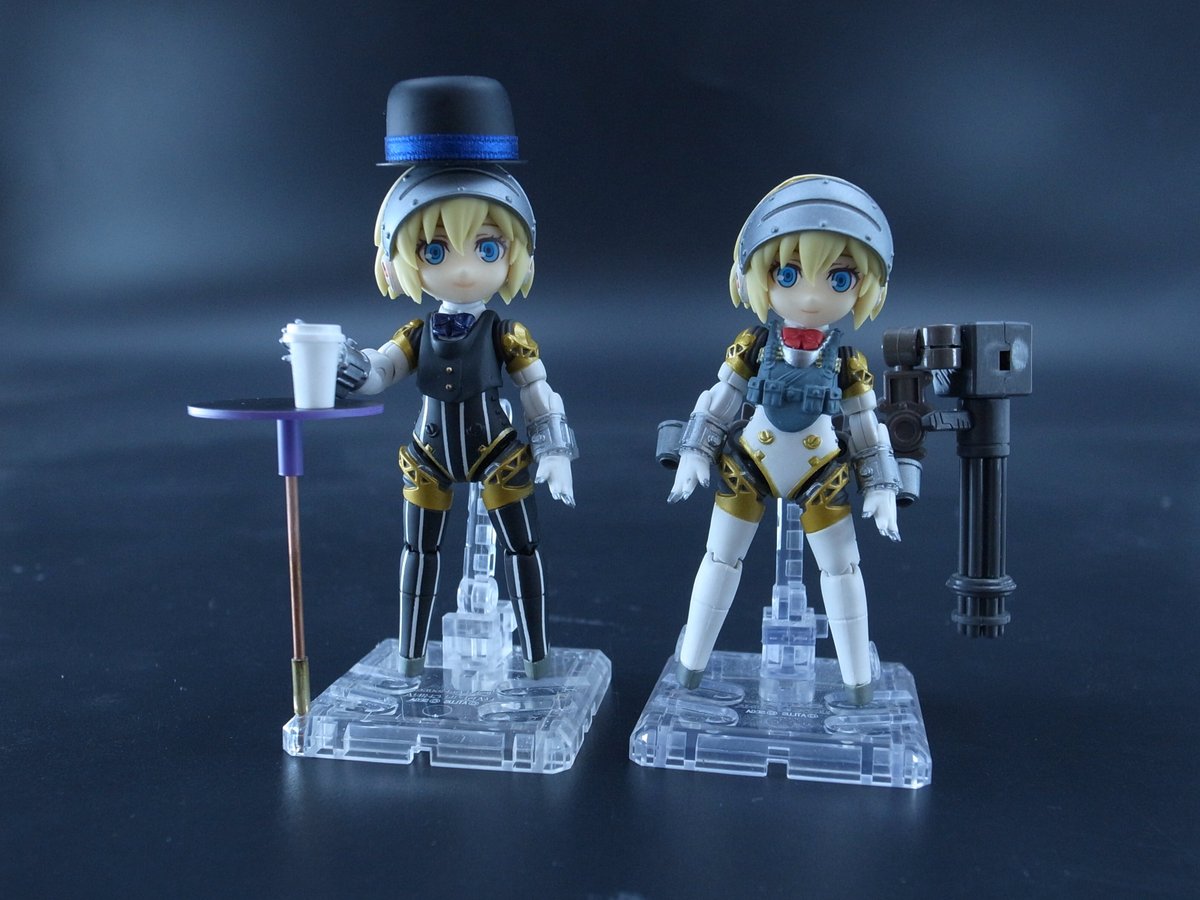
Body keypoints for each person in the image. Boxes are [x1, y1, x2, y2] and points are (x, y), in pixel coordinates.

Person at [667, 175, 900, 703]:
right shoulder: (753, 344)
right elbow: (720, 400)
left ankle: (857, 684)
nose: (812, 296)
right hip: (750, 463)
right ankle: (690, 668)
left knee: (842, 570)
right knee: (719, 560)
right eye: (788, 274)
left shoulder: (847, 361)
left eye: (839, 278)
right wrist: (695, 452)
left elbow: (867, 429)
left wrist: (882, 486)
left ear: (866, 286)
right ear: (755, 276)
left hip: (822, 473)